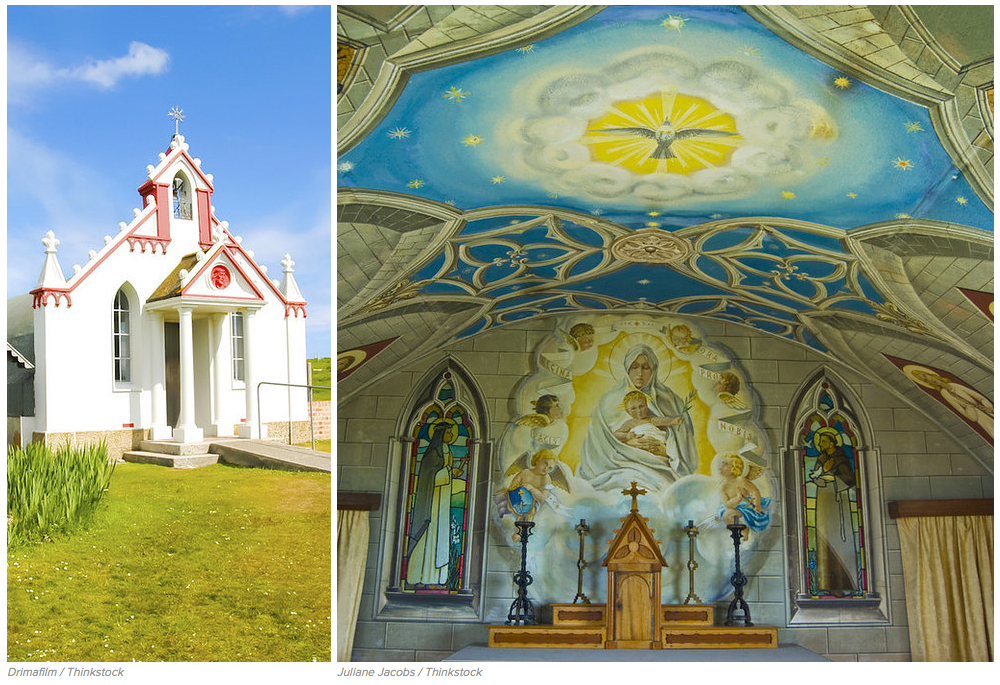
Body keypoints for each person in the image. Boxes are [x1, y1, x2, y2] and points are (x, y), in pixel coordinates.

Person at [579, 344, 698, 489]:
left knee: (665, 488)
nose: (639, 373)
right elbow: (599, 443)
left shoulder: (670, 399)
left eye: (645, 367)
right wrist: (629, 444)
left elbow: (682, 439)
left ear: (653, 369)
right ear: (627, 368)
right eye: (634, 367)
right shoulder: (608, 400)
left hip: (661, 463)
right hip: (619, 464)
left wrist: (664, 449)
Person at [405, 419, 456, 586]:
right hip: (431, 502)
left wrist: (450, 472)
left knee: (439, 538)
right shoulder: (433, 453)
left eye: (451, 432)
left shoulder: (447, 451)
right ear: (440, 434)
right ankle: (418, 577)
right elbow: (429, 477)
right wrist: (449, 472)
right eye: (448, 432)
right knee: (428, 537)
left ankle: (437, 579)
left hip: (443, 501)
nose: (450, 435)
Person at [614, 390, 682, 459]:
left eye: (641, 406)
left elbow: (662, 421)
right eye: (633, 408)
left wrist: (673, 420)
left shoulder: (650, 419)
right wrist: (627, 436)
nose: (639, 411)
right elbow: (616, 434)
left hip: (656, 445)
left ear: (646, 406)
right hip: (639, 448)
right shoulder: (629, 423)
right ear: (627, 411)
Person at [718, 453, 768, 540]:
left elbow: (754, 491)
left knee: (728, 514)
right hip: (733, 507)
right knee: (726, 515)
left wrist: (757, 504)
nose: (721, 465)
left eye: (726, 464)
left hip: (747, 506)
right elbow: (727, 504)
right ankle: (743, 528)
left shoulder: (741, 481)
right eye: (722, 462)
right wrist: (738, 498)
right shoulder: (722, 486)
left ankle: (745, 528)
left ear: (733, 469)